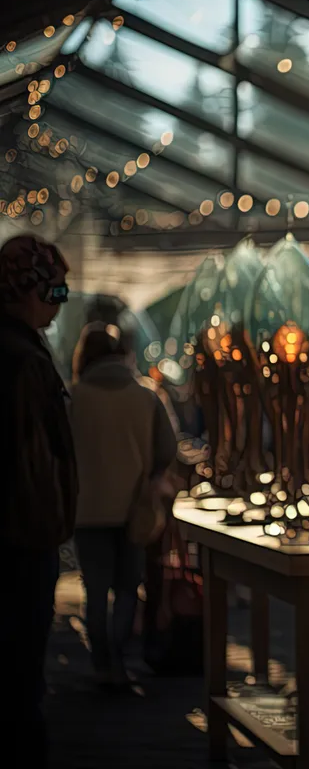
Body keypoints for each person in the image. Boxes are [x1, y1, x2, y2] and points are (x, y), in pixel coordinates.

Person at [0, 234, 76, 767]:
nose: (58, 304)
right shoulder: (23, 360)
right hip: (20, 546)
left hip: (17, 541)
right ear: (28, 291)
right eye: (57, 291)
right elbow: (29, 463)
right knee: (20, 674)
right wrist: (48, 527)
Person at [69, 321, 177, 688]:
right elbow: (168, 449)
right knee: (129, 587)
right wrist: (148, 477)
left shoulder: (75, 398)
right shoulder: (146, 396)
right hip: (135, 508)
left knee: (95, 590)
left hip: (87, 510)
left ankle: (101, 663)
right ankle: (118, 658)